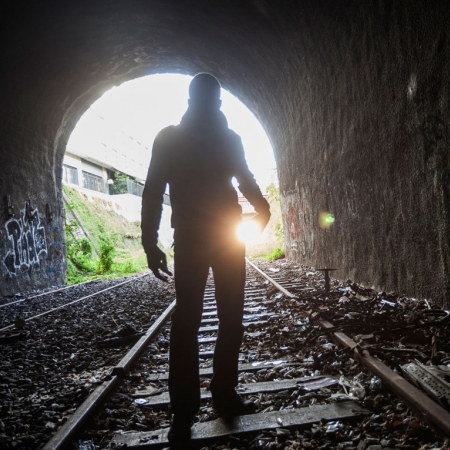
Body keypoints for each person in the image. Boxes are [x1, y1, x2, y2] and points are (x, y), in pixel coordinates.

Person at [141, 73, 271, 446]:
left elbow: (153, 192)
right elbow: (244, 180)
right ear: (217, 102)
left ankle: (184, 410)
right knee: (230, 318)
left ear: (189, 99)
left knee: (188, 321)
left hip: (193, 240)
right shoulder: (228, 138)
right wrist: (261, 208)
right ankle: (224, 395)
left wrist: (151, 242)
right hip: (226, 238)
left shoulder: (170, 138)